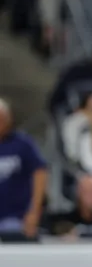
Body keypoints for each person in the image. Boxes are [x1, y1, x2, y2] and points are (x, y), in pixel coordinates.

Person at [0, 99, 47, 241]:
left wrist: (34, 212)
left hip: (15, 218)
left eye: (2, 119)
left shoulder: (22, 144)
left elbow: (40, 173)